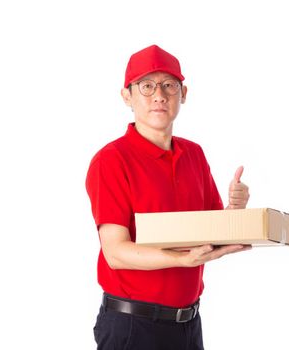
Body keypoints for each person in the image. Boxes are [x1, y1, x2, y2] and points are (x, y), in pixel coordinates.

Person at [85, 44, 251, 350]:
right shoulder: (111, 161)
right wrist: (183, 260)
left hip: (189, 325)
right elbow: (116, 253)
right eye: (147, 86)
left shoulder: (194, 154)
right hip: (134, 327)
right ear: (127, 96)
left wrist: (235, 209)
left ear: (183, 94)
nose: (159, 95)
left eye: (169, 85)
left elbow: (212, 230)